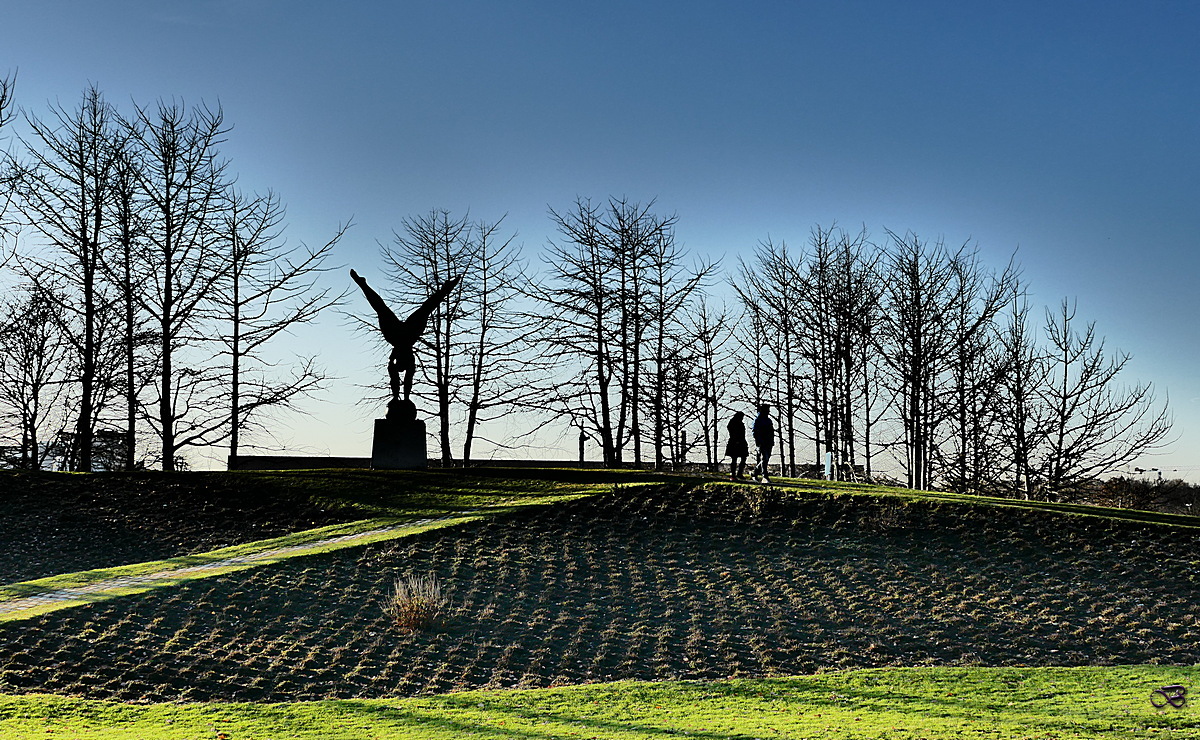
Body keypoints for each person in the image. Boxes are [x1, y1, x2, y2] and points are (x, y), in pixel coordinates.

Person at [351, 269, 460, 402]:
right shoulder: (408, 359)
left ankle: (363, 284)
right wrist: (404, 398)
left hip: (396, 334)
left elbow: (399, 378)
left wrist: (397, 397)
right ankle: (445, 289)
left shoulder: (395, 357)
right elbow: (406, 380)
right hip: (408, 333)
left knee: (383, 309)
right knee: (424, 309)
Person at [751, 404, 774, 483]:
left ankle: (755, 472)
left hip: (769, 442)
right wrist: (759, 441)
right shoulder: (758, 420)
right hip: (761, 442)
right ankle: (765, 476)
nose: (768, 412)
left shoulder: (768, 420)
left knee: (766, 459)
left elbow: (771, 432)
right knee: (764, 458)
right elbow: (755, 432)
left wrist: (771, 441)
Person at [724, 411, 749, 480]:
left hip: (740, 441)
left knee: (742, 458)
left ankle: (738, 473)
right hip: (735, 442)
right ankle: (734, 474)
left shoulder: (737, 423)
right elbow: (732, 431)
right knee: (735, 459)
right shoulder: (734, 423)